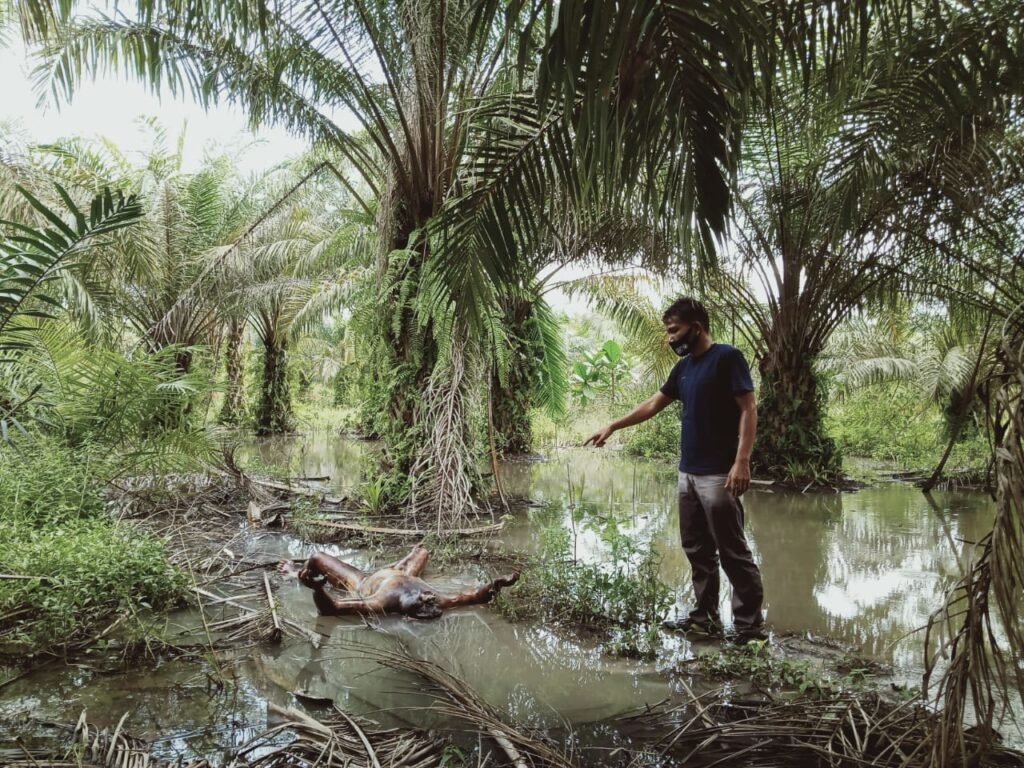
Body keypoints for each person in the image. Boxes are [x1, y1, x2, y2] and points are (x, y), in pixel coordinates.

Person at [584, 297, 766, 643]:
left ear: (696, 327)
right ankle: (705, 619)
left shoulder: (728, 358)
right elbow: (654, 403)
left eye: (674, 330)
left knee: (733, 552)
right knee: (697, 549)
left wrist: (741, 461)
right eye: (669, 331)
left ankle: (749, 630)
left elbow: (748, 407)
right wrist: (614, 425)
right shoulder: (683, 369)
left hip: (719, 475)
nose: (670, 338)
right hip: (688, 474)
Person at [279, 544, 520, 619]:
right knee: (424, 551)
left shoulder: (381, 603)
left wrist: (318, 588)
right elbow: (475, 596)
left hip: (364, 582)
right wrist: (498, 584)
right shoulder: (439, 600)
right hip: (404, 573)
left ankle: (293, 573)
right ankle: (404, 559)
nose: (426, 602)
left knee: (316, 557)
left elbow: (331, 609)